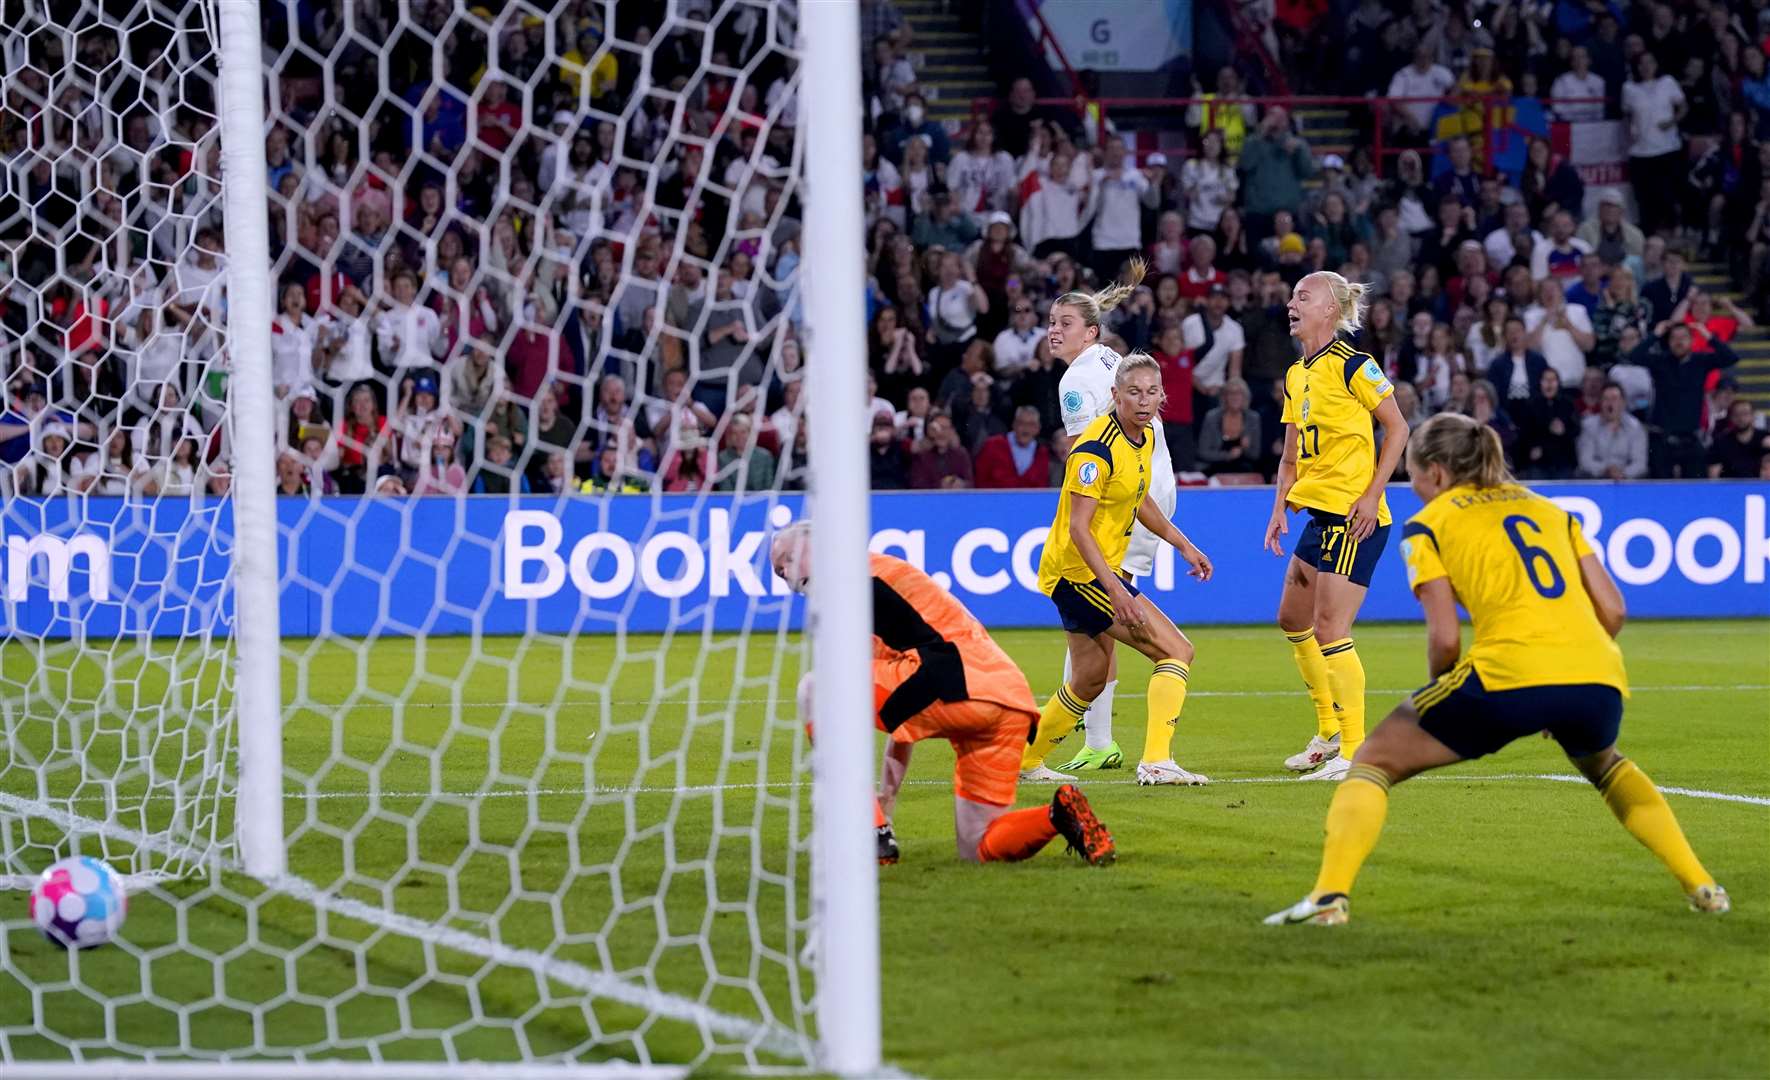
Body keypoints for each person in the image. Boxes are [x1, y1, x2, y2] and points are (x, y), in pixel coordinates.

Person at [1266, 413, 1730, 926]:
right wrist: (1566, 678)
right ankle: (1702, 885)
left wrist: (1440, 692)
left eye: (1413, 473)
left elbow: (1445, 638)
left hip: (1505, 677)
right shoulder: (1549, 511)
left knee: (1373, 760)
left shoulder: (1431, 524)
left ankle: (1329, 898)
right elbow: (1614, 610)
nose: (1412, 483)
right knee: (1606, 765)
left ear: (1437, 474)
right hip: (1596, 674)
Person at [773, 524, 1115, 868]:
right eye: (778, 571)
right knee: (979, 845)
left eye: (785, 562)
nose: (784, 575)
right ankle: (1059, 814)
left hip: (949, 678)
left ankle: (869, 833)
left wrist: (878, 819)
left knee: (816, 690)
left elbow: (894, 691)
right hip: (1008, 698)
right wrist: (886, 800)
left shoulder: (848, 582)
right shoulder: (888, 577)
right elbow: (901, 707)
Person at [1021, 353, 1215, 787]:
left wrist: (1185, 546)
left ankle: (1023, 759)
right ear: (1115, 395)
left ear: (1163, 396)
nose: (1143, 401)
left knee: (1088, 679)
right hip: (1081, 574)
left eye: (1151, 392)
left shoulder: (1141, 438)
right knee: (1176, 651)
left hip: (1090, 572)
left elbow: (1138, 498)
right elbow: (1078, 528)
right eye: (1133, 392)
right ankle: (1157, 762)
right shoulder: (1095, 449)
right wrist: (1118, 590)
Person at [1265, 272, 1410, 782]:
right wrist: (1279, 507)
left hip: (1353, 517)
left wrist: (1372, 495)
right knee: (1292, 619)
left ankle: (1355, 751)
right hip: (1315, 512)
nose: (1291, 303)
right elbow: (1288, 456)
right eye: (1292, 297)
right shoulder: (1295, 374)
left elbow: (1398, 427)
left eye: (1302, 296)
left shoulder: (1355, 365)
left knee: (1330, 629)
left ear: (1331, 308)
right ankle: (1329, 731)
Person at [1037, 260, 1178, 776]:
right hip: (1154, 485)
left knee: (1099, 608)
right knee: (1096, 612)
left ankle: (1095, 739)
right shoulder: (1110, 359)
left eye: (1064, 323)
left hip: (1128, 498)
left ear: (1090, 331)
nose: (1054, 330)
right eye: (1051, 321)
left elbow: (1085, 458)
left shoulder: (1074, 382)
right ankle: (1094, 736)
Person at [1577, 382, 1648, 480]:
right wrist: (1606, 470)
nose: (1610, 404)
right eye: (1606, 399)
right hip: (1595, 482)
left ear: (1623, 402)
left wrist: (1623, 473)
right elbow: (1585, 461)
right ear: (1600, 402)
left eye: (1614, 399)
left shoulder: (1635, 427)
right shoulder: (1588, 426)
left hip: (1627, 482)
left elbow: (1640, 463)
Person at [973, 406, 1050, 489]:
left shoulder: (1043, 453)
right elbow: (979, 479)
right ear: (1014, 425)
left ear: (1038, 428)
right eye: (1021, 423)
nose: (1026, 428)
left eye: (1031, 424)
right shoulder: (992, 445)